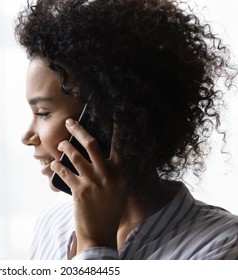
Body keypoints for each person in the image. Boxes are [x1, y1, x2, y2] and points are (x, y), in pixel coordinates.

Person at [15, 0, 238, 260]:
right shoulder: (51, 227)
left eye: (43, 113)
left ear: (106, 119)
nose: (27, 137)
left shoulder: (221, 245)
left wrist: (95, 243)